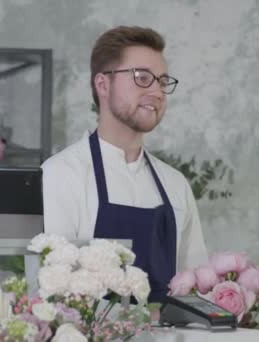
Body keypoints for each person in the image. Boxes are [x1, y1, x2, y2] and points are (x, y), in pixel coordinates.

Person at [41, 26, 208, 302]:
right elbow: (55, 295)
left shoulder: (175, 185)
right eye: (142, 78)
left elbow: (197, 291)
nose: (157, 92)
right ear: (103, 84)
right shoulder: (60, 176)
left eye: (162, 82)